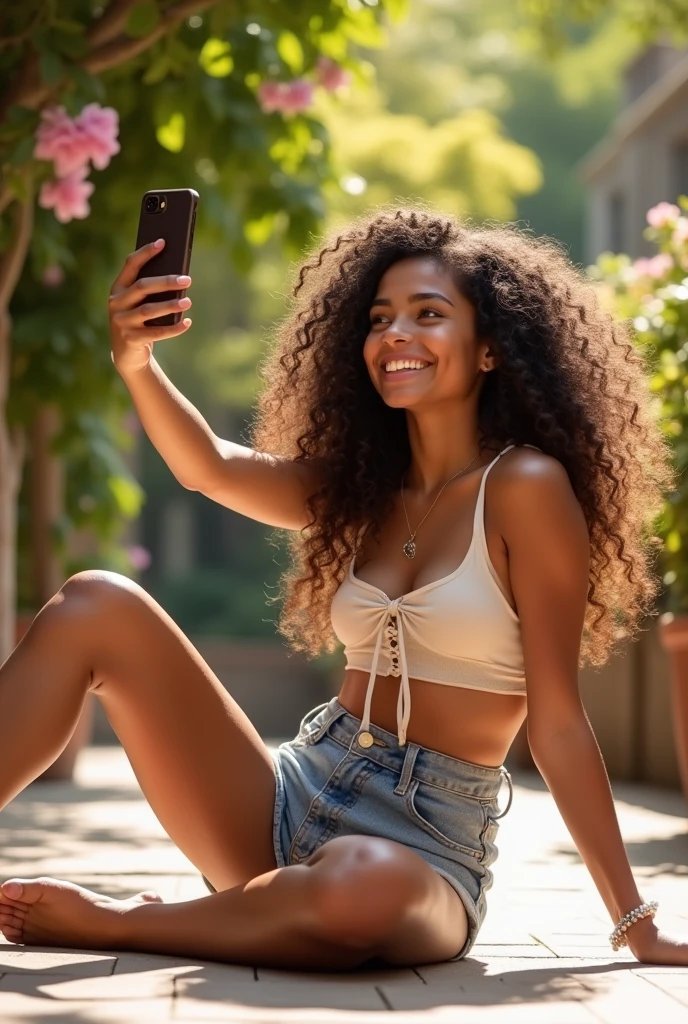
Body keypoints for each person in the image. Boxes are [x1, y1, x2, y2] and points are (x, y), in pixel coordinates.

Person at [0, 206, 686, 970]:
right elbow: (209, 469)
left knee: (360, 887)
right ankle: (248, 909)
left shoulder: (525, 486)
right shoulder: (363, 486)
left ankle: (122, 926)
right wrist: (136, 362)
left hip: (423, 850)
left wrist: (636, 923)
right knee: (97, 602)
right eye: (379, 318)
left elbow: (557, 721)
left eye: (429, 314)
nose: (395, 334)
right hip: (294, 797)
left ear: (490, 348)